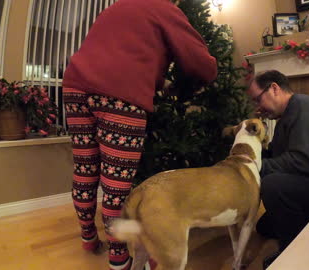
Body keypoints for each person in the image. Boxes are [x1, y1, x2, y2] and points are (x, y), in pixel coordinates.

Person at [62, 1, 217, 269]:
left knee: (85, 167)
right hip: (120, 94)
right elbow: (200, 62)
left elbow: (127, 53)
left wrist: (158, 82)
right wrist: (196, 80)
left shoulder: (116, 7)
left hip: (75, 86)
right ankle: (118, 256)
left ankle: (88, 236)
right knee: (116, 182)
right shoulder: (165, 8)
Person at [245, 70, 309, 269]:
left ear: (274, 88)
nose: (258, 107)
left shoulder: (303, 107)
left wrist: (255, 167)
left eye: (258, 100)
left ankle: (294, 252)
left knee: (272, 186)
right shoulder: (287, 116)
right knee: (263, 225)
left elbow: (303, 161)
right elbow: (275, 154)